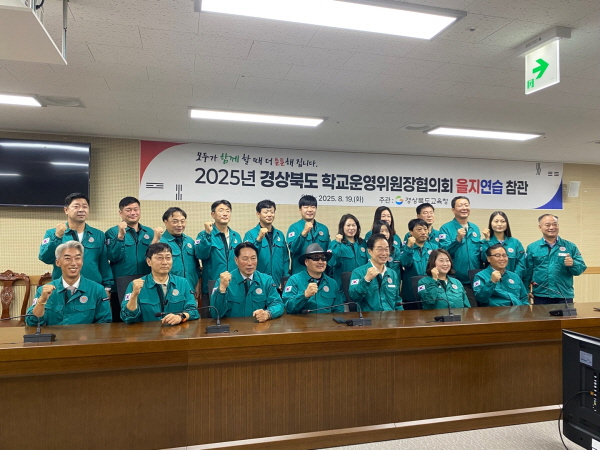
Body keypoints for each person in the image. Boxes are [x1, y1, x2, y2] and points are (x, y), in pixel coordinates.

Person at [39, 192, 113, 291]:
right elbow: (45, 258)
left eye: (85, 206)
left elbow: (104, 263)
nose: (81, 210)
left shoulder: (98, 235)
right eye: (76, 206)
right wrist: (57, 237)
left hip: (93, 289)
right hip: (63, 288)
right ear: (66, 210)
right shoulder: (52, 233)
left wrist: (107, 286)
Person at [27, 241, 111, 326]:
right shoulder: (43, 291)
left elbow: (104, 323)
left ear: (82, 261)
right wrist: (42, 300)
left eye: (77, 258)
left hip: (86, 334)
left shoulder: (97, 290)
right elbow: (32, 323)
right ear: (58, 262)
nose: (73, 263)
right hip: (55, 334)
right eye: (67, 258)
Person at [105, 196, 159, 321]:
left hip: (146, 281)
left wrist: (156, 240)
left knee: (146, 317)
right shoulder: (112, 232)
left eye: (136, 209)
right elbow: (113, 256)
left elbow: (153, 258)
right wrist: (120, 237)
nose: (133, 213)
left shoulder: (149, 232)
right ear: (120, 213)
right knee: (122, 319)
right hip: (121, 282)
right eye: (128, 210)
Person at [121, 243, 199, 324]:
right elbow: (127, 317)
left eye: (168, 258)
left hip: (176, 330)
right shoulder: (135, 285)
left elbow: (193, 311)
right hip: (147, 331)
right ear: (149, 261)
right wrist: (134, 295)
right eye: (159, 258)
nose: (165, 262)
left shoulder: (182, 283)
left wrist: (181, 316)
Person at [211, 242, 283, 322]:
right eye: (245, 259)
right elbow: (215, 314)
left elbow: (278, 304)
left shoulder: (266, 280)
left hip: (258, 327)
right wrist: (221, 289)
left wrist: (268, 313)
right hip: (232, 328)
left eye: (253, 258)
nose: (250, 263)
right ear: (236, 260)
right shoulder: (223, 281)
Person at [523, 214, 586, 304]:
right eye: (548, 225)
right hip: (541, 294)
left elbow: (580, 269)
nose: (552, 227)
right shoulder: (532, 247)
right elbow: (528, 272)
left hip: (564, 294)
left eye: (555, 224)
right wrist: (526, 290)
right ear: (540, 227)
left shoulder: (570, 246)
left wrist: (573, 264)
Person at [195, 200, 242, 305]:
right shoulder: (203, 235)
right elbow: (200, 254)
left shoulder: (236, 236)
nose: (225, 214)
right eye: (221, 210)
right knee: (212, 314)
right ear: (213, 214)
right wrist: (208, 234)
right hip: (213, 283)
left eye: (228, 211)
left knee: (234, 314)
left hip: (234, 283)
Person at [439, 196, 483, 304]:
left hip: (475, 280)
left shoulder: (475, 228)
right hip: (455, 279)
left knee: (478, 311)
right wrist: (457, 240)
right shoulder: (446, 228)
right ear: (453, 210)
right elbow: (443, 252)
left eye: (466, 205)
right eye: (460, 205)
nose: (464, 208)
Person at [349, 234, 403, 312]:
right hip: (369, 317)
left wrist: (401, 316)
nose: (384, 253)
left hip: (391, 317)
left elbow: (397, 301)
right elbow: (354, 297)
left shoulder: (392, 274)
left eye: (387, 249)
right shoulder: (358, 272)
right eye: (380, 249)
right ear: (370, 251)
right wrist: (366, 280)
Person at [283, 244, 344, 314]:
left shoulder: (332, 283)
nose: (320, 262)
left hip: (327, 320)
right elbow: (288, 307)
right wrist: (304, 295)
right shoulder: (294, 280)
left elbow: (339, 310)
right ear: (306, 262)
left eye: (323, 258)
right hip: (302, 321)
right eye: (316, 258)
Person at [243, 200, 289, 288]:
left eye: (272, 212)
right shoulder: (250, 234)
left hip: (278, 282)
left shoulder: (279, 234)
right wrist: (259, 239)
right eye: (266, 212)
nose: (269, 215)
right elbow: (247, 257)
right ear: (258, 214)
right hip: (257, 282)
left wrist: (285, 278)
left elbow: (285, 259)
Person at [158, 207, 201, 295]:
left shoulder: (190, 241)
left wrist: (198, 283)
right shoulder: (160, 242)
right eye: (175, 221)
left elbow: (196, 267)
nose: (179, 225)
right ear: (165, 222)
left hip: (190, 289)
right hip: (169, 290)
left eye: (182, 221)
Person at [399, 218, 439, 307]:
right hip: (411, 292)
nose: (423, 232)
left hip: (430, 289)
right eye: (419, 229)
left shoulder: (434, 248)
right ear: (411, 232)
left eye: (425, 229)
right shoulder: (405, 248)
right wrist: (409, 247)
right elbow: (405, 263)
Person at [287, 195, 330, 275]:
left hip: (321, 275)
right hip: (300, 274)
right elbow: (293, 249)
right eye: (306, 207)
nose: (310, 210)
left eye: (313, 207)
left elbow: (328, 253)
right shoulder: (294, 228)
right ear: (300, 210)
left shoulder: (323, 229)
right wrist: (304, 233)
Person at [328, 214, 368, 294]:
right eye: (348, 225)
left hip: (361, 287)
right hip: (343, 289)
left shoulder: (363, 243)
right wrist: (338, 244)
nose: (351, 228)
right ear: (342, 227)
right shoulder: (335, 244)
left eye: (354, 225)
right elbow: (332, 263)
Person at [480, 211, 526, 279]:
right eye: (496, 221)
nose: (499, 224)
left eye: (503, 221)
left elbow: (521, 263)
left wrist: (513, 277)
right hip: (491, 280)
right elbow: (485, 259)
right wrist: (487, 240)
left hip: (512, 280)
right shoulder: (484, 242)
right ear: (491, 223)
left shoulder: (515, 242)